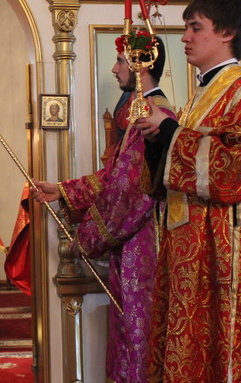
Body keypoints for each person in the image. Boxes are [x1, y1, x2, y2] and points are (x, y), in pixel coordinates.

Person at [135, 0, 241, 381]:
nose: (185, 37)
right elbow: (169, 178)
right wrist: (157, 143)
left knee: (221, 350)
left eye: (195, 27)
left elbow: (236, 171)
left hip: (225, 250)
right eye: (186, 27)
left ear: (227, 32)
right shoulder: (200, 99)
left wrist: (170, 131)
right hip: (189, 248)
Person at [32, 40, 174, 383]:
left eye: (121, 61)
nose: (115, 69)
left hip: (146, 247)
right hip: (134, 247)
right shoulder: (142, 112)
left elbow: (129, 191)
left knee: (141, 340)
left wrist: (87, 237)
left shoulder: (154, 116)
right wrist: (63, 190)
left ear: (141, 67)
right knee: (130, 336)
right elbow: (112, 176)